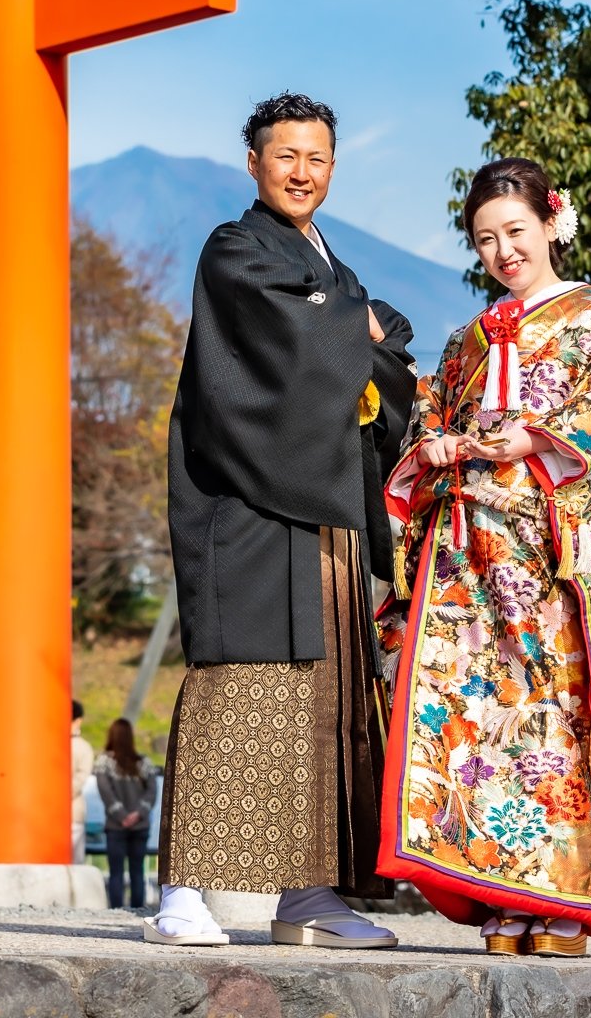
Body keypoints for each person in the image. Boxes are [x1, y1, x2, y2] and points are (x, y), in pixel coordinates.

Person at [375, 157, 591, 957]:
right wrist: (440, 442)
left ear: (552, 223)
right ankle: (504, 894)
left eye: (515, 231)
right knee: (484, 717)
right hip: (473, 557)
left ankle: (569, 897)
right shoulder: (465, 342)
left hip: (555, 559)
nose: (503, 250)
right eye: (486, 239)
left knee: (560, 706)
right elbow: (426, 423)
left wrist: (532, 438)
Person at [146, 93, 417, 949]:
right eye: (285, 155)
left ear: (333, 169)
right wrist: (353, 333)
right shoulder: (236, 249)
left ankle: (308, 894)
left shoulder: (324, 262)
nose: (302, 171)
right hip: (251, 506)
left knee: (327, 705)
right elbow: (320, 343)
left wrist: (352, 332)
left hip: (327, 513)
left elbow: (385, 340)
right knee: (241, 692)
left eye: (318, 158)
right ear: (254, 163)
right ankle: (183, 897)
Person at [95, 717, 158, 909]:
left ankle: (115, 909)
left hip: (116, 826)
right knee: (137, 871)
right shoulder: (144, 762)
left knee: (116, 871)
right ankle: (137, 909)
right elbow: (152, 792)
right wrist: (138, 814)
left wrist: (122, 816)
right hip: (140, 826)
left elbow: (106, 792)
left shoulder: (104, 762)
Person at [70, 699, 94, 864]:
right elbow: (81, 777)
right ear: (79, 720)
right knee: (75, 863)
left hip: (69, 812)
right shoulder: (83, 747)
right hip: (74, 810)